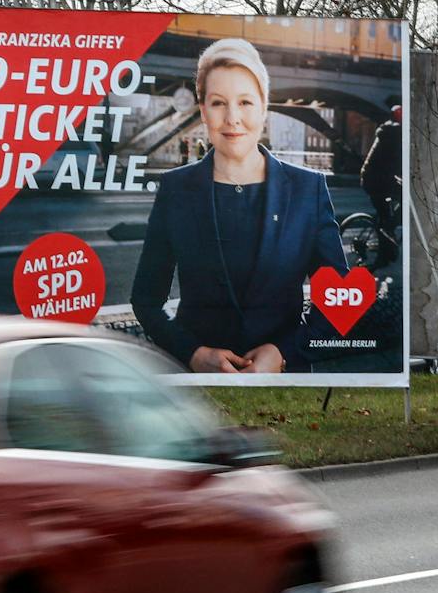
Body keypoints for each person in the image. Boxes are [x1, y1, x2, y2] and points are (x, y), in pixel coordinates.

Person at [132, 37, 347, 374]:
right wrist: (192, 353)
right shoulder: (175, 189)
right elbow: (145, 299)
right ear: (203, 111)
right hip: (198, 389)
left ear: (264, 107)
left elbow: (341, 301)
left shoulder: (309, 189)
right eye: (218, 103)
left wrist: (285, 352)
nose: (233, 118)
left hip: (287, 387)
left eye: (245, 102)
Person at [359, 106, 402, 268]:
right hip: (378, 180)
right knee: (400, 205)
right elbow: (398, 159)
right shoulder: (395, 132)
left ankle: (385, 251)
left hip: (376, 178)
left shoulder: (388, 129)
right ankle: (387, 236)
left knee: (385, 215)